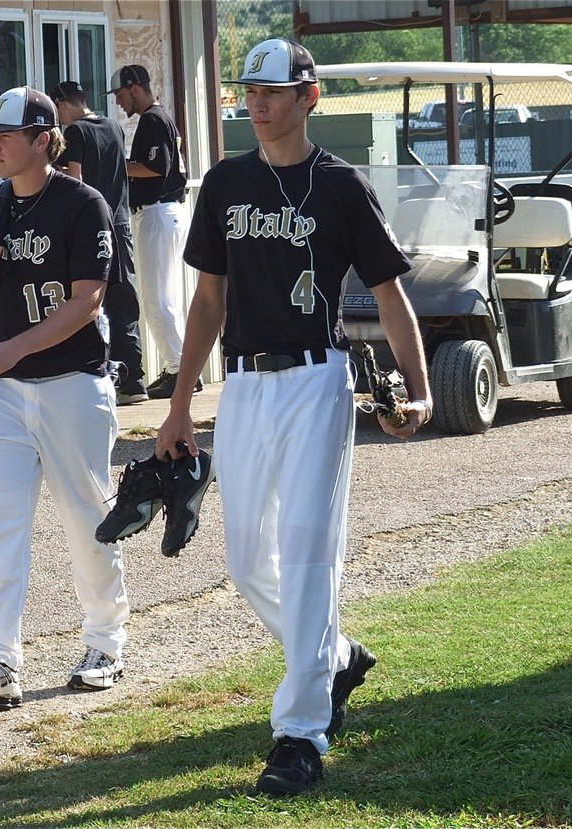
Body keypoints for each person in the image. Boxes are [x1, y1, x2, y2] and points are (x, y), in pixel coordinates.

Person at [155, 38, 432, 796]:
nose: (257, 102)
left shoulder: (341, 187)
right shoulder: (225, 182)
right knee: (247, 562)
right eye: (249, 90)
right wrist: (180, 404)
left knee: (310, 554)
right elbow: (208, 300)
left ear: (309, 97)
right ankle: (334, 656)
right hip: (243, 386)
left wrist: (420, 385)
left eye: (273, 91)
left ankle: (300, 734)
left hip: (318, 381)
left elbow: (388, 294)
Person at [0, 87, 130, 708]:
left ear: (44, 139)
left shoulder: (84, 205)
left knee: (87, 518)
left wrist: (13, 350)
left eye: (6, 135)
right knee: (1, 529)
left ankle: (105, 640)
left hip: (72, 383)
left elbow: (87, 303)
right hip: (4, 389)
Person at [51, 80, 147, 405]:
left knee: (92, 302)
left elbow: (75, 180)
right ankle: (135, 378)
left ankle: (107, 374)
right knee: (125, 300)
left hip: (93, 226)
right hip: (120, 222)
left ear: (64, 105)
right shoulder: (113, 126)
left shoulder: (76, 132)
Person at [110, 64, 199, 401]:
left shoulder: (151, 119)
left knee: (155, 299)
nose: (119, 103)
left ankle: (180, 370)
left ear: (135, 88)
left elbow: (153, 168)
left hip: (159, 212)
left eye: (120, 95)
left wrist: (114, 163)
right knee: (165, 297)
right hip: (169, 212)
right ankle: (181, 368)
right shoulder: (161, 117)